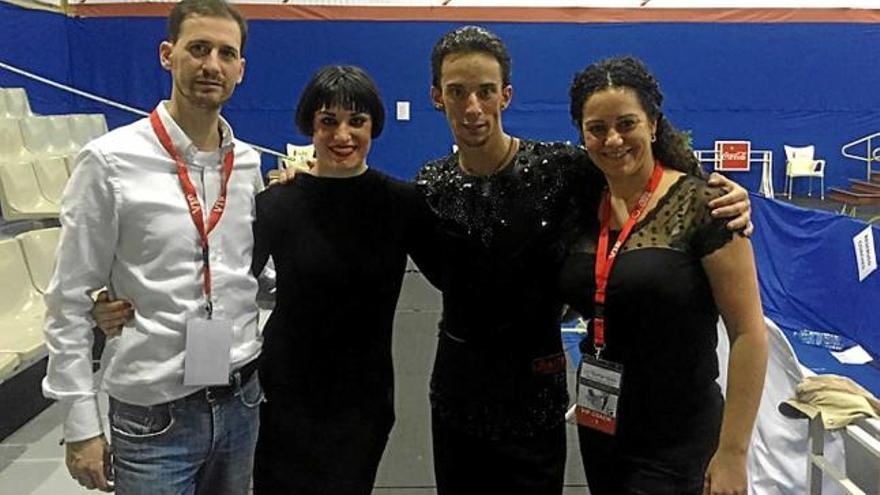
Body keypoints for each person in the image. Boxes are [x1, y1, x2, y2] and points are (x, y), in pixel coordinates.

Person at [416, 26, 754, 494]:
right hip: (488, 401)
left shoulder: (562, 172)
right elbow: (367, 205)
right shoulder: (429, 186)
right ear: (437, 97)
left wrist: (728, 196)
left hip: (564, 404)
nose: (473, 106)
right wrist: (308, 176)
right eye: (458, 92)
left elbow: (657, 184)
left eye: (485, 91)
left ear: (505, 95)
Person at [42, 1, 264, 493]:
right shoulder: (109, 161)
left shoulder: (247, 166)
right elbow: (69, 300)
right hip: (153, 419)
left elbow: (246, 272)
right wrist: (81, 424)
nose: (212, 65)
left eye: (226, 53)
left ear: (240, 70)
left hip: (240, 403)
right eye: (198, 49)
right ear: (168, 55)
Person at [560, 55, 768, 495]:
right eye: (597, 128)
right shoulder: (580, 205)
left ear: (653, 124)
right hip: (602, 422)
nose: (613, 139)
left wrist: (733, 452)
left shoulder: (706, 206)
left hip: (680, 433)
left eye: (627, 123)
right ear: (581, 133)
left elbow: (749, 332)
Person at [249, 65, 438, 494]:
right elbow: (224, 284)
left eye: (357, 121)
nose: (343, 135)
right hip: (284, 394)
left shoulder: (401, 203)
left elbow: (457, 275)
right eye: (328, 121)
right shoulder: (277, 204)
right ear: (310, 127)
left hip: (363, 399)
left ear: (374, 125)